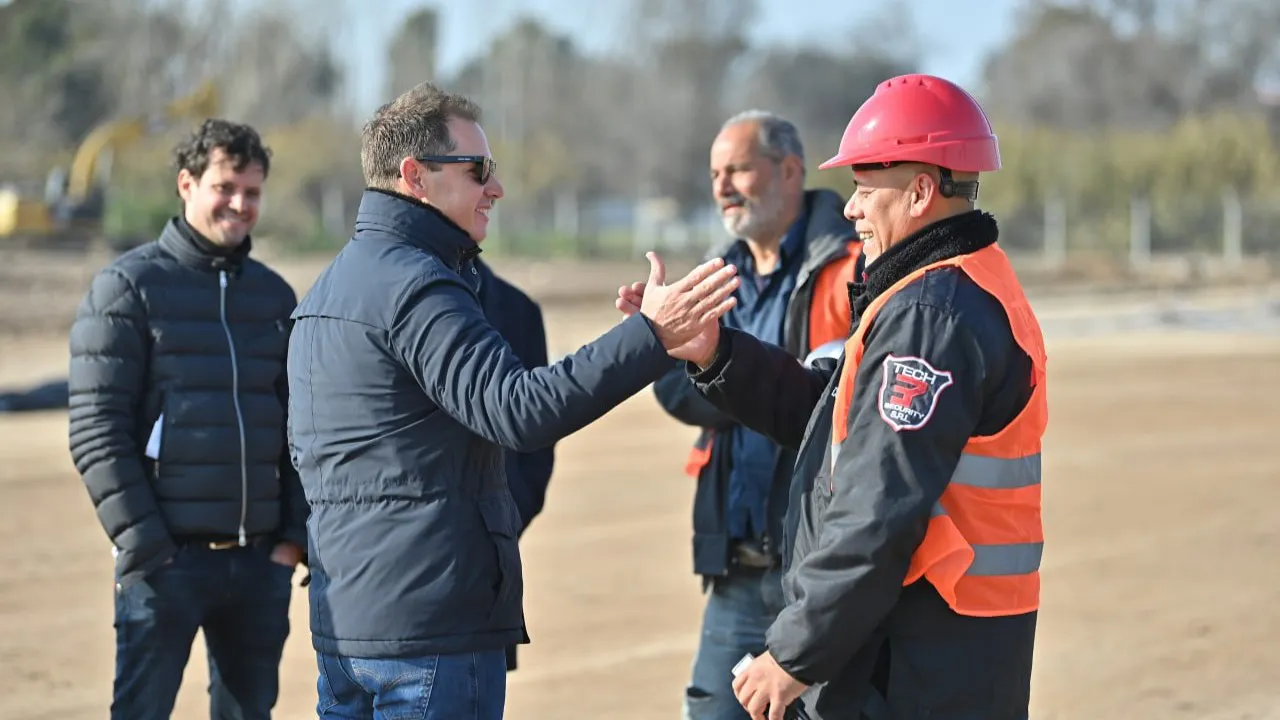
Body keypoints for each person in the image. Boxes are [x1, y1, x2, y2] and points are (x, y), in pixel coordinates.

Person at [285, 81, 741, 720]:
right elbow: (519, 409)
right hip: (429, 632)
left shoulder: (329, 289)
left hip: (347, 630)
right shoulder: (417, 286)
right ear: (415, 176)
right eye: (477, 170)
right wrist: (651, 336)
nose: (495, 188)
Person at [618, 74, 1047, 720]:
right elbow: (829, 412)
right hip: (941, 651)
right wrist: (716, 352)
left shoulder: (930, 315)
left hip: (918, 659)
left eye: (866, 188)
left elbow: (878, 507)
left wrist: (794, 655)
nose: (851, 208)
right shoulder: (951, 289)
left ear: (921, 191)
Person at [67, 119, 307, 720]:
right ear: (187, 184)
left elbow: (301, 430)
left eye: (252, 192)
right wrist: (148, 546)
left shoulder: (276, 299)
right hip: (165, 566)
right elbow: (97, 432)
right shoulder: (126, 289)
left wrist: (291, 540)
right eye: (225, 187)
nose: (239, 204)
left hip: (259, 566)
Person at [652, 110, 860, 720]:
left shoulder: (852, 266)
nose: (722, 186)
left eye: (738, 169)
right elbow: (676, 392)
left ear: (790, 170)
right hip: (739, 570)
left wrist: (736, 379)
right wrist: (668, 345)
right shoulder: (717, 273)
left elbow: (841, 401)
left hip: (823, 572)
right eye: (715, 173)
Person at [472, 255, 558, 673]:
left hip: (492, 564)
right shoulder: (390, 296)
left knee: (483, 693)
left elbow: (537, 442)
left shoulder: (517, 309)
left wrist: (502, 519)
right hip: (398, 574)